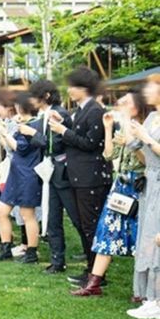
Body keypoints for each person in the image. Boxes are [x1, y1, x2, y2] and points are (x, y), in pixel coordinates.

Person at [72, 89, 150, 297]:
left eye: (125, 103)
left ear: (138, 106)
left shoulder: (146, 128)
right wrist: (108, 129)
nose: (120, 106)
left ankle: (142, 289)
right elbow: (108, 155)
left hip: (139, 186)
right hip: (120, 186)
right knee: (106, 229)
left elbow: (148, 161)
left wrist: (132, 144)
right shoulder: (122, 127)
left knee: (140, 236)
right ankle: (94, 284)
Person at [48, 67, 111, 287]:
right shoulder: (82, 109)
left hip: (90, 177)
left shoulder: (95, 110)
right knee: (85, 225)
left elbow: (90, 143)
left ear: (84, 88)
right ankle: (91, 270)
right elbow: (80, 134)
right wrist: (65, 124)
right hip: (80, 175)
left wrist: (63, 131)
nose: (69, 91)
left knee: (90, 225)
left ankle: (97, 275)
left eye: (72, 86)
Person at [29, 79, 80, 274]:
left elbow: (54, 144)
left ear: (46, 96)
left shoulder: (59, 113)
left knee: (75, 217)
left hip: (62, 171)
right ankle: (57, 260)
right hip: (51, 171)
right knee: (52, 217)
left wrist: (32, 134)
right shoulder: (44, 114)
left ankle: (91, 258)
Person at [0, 92, 44, 263]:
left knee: (27, 214)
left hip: (28, 174)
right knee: (1, 211)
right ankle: (6, 246)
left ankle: (31, 251)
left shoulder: (34, 125)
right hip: (16, 173)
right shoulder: (23, 124)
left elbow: (20, 148)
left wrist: (4, 133)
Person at [126, 74, 160, 319]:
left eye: (151, 87)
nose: (146, 92)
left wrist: (146, 138)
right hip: (149, 182)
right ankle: (150, 297)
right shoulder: (151, 117)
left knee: (157, 239)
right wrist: (133, 138)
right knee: (147, 239)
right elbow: (142, 154)